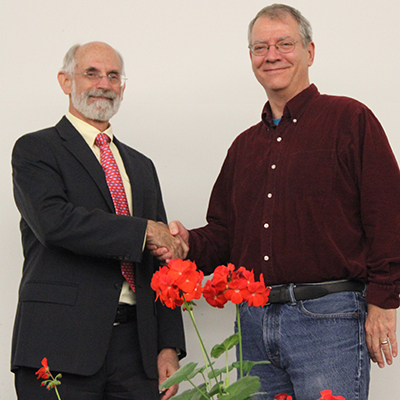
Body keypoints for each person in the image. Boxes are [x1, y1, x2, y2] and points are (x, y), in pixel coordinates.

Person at [152, 4, 400, 400]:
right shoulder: (243, 147)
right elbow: (225, 235)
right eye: (260, 47)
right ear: (251, 58)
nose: (271, 55)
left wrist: (384, 302)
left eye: (284, 43)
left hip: (330, 320)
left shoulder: (351, 120)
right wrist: (187, 243)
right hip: (253, 324)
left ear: (310, 52)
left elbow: (388, 215)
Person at [11, 41, 188, 400]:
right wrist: (143, 230)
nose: (103, 83)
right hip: (60, 347)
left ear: (122, 87)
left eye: (112, 76)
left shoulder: (141, 166)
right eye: (91, 73)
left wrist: (168, 346)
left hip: (136, 353)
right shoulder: (35, 150)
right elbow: (54, 223)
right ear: (65, 81)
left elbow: (163, 264)